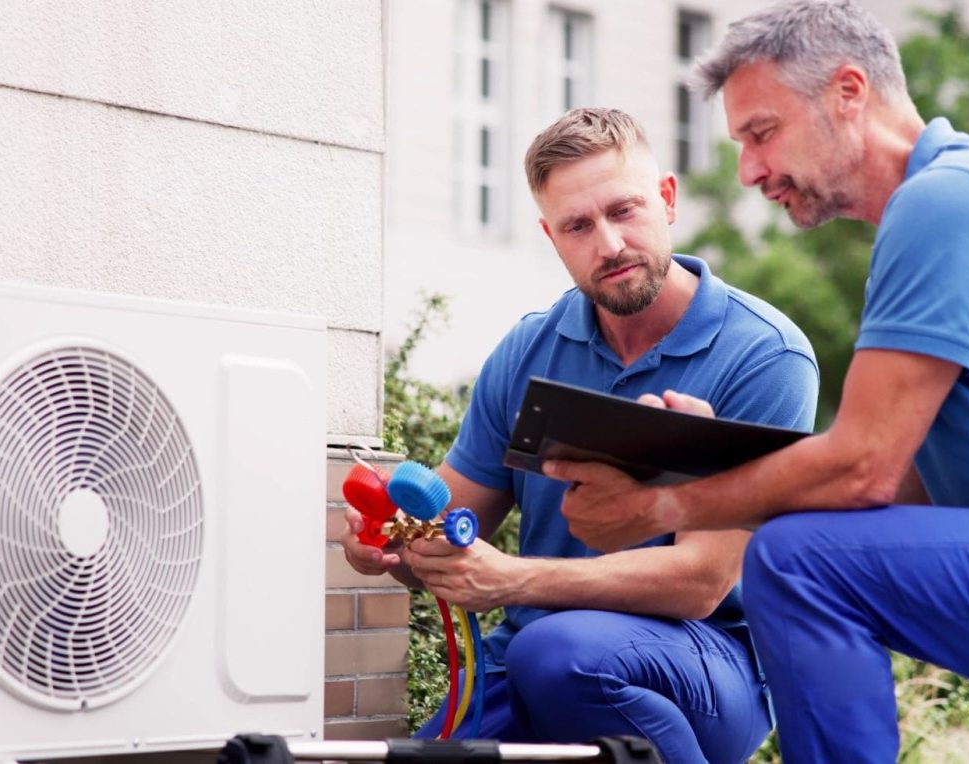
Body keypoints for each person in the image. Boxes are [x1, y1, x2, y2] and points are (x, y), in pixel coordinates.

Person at [548, 2, 969, 762]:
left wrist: (661, 504)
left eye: (761, 132)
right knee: (810, 543)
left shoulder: (940, 203)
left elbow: (865, 471)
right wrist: (710, 456)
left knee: (797, 560)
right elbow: (905, 483)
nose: (749, 170)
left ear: (849, 92)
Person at [343, 107, 819, 764]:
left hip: (710, 667)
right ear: (551, 235)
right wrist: (388, 545)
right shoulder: (527, 350)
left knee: (558, 654)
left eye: (624, 211)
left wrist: (512, 580)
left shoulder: (762, 355)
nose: (610, 244)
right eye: (578, 225)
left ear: (668, 199)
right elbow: (450, 527)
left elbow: (701, 580)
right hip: (530, 669)